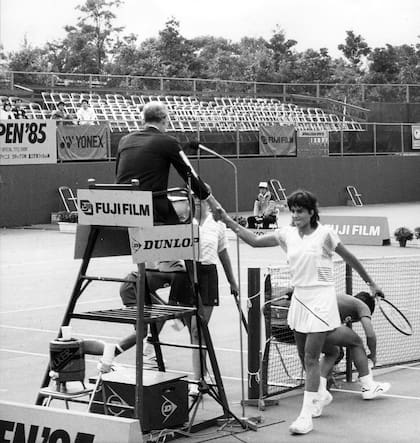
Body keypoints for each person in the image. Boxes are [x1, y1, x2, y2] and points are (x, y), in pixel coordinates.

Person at [216, 189, 382, 435]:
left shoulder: (326, 235)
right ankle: (320, 395)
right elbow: (253, 241)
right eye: (292, 211)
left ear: (311, 212)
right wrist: (228, 221)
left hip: (321, 300)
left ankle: (306, 417)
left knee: (312, 357)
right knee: (306, 358)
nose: (295, 215)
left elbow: (351, 259)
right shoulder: (286, 235)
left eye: (300, 211)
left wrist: (371, 284)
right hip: (300, 300)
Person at [173, 191, 238, 396]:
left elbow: (224, 254)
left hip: (208, 275)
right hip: (188, 273)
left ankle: (199, 377)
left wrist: (232, 282)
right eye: (193, 200)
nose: (197, 203)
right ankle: (200, 375)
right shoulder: (185, 223)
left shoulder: (217, 225)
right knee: (194, 332)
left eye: (200, 199)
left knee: (198, 329)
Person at [115, 101, 221, 224]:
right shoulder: (169, 142)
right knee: (182, 233)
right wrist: (212, 202)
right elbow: (189, 174)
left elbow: (118, 175)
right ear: (164, 119)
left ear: (143, 120)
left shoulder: (124, 140)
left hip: (122, 207)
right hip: (151, 209)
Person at [316, 291, 390, 414]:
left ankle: (319, 389)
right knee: (356, 342)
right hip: (318, 325)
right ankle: (368, 386)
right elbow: (370, 334)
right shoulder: (363, 306)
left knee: (333, 351)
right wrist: (373, 354)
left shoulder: (343, 302)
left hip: (300, 328)